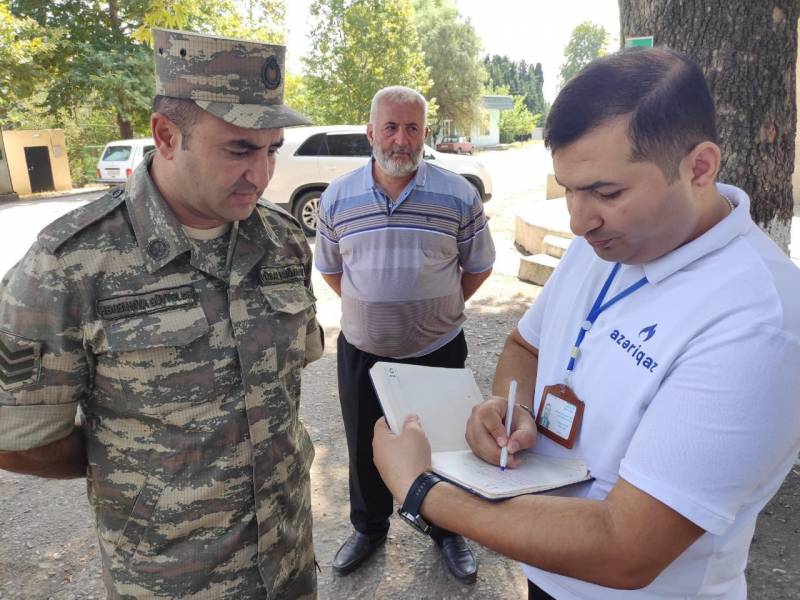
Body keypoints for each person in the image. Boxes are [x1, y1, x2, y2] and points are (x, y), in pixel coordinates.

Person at [372, 47, 800, 599]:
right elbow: (525, 347)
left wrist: (422, 489)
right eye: (569, 189)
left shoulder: (760, 320)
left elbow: (626, 549)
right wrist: (510, 407)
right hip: (550, 577)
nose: (579, 222)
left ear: (699, 167)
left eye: (606, 192)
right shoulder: (605, 245)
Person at [0, 29, 325, 599]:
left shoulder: (284, 242)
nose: (263, 174)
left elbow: (291, 376)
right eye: (239, 150)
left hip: (288, 564)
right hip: (170, 583)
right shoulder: (69, 265)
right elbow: (17, 437)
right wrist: (132, 465)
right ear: (166, 135)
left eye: (272, 148)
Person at [315, 86, 495, 583]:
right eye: (390, 127)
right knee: (363, 445)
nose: (401, 139)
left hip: (436, 350)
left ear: (424, 134)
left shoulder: (458, 193)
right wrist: (372, 308)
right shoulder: (338, 196)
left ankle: (446, 529)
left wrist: (440, 307)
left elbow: (477, 266)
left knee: (442, 444)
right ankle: (369, 528)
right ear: (371, 131)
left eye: (412, 128)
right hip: (362, 353)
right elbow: (332, 270)